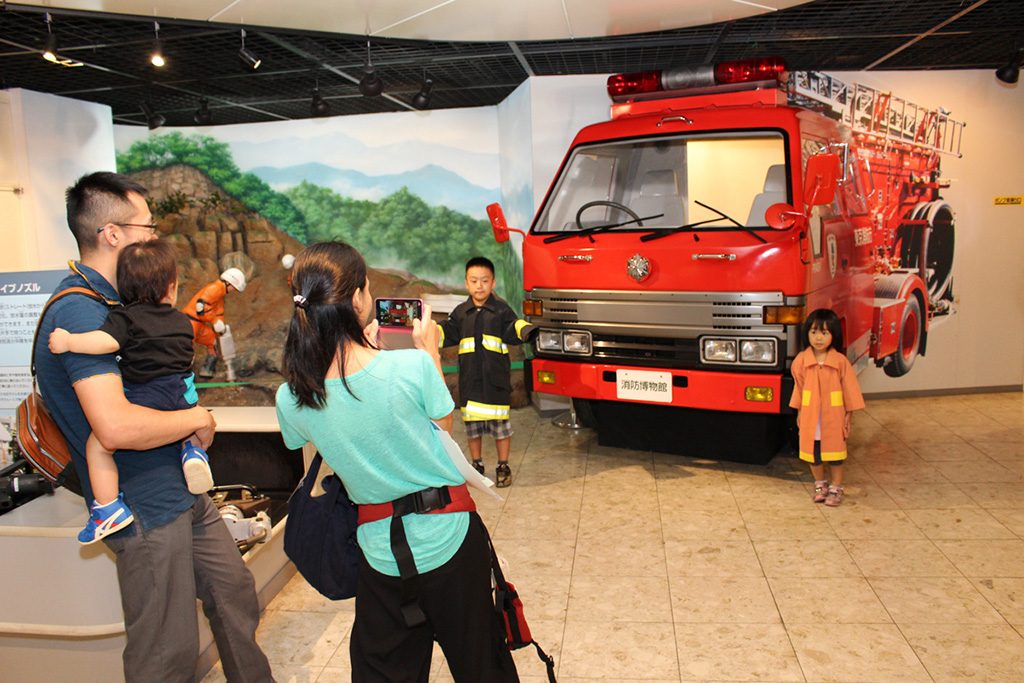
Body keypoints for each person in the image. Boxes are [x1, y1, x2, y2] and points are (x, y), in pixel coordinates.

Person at [36, 172, 272, 682]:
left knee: (233, 592)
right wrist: (197, 418)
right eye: (148, 226)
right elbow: (115, 428)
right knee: (167, 650)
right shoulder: (80, 311)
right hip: (142, 503)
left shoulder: (122, 305)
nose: (155, 237)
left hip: (180, 490)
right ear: (112, 234)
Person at [275, 242, 518, 682]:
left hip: (378, 552)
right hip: (448, 537)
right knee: (482, 664)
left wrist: (361, 354)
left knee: (385, 671)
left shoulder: (292, 396)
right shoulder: (408, 367)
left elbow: (317, 430)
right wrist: (429, 352)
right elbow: (440, 422)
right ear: (358, 299)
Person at [48, 239, 215, 545]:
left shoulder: (125, 318)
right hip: (182, 394)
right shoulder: (182, 322)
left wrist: (69, 342)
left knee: (97, 446)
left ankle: (107, 508)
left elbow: (105, 343)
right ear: (171, 288)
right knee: (186, 422)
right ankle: (192, 452)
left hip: (146, 397)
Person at [437, 256, 534, 488]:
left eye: (484, 280)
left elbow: (513, 326)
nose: (479, 286)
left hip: (495, 382)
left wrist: (526, 330)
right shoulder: (461, 313)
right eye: (474, 281)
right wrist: (432, 330)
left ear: (493, 283)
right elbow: (447, 331)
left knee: (501, 429)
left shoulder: (501, 310)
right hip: (470, 382)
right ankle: (477, 465)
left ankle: (503, 465)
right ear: (466, 283)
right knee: (473, 430)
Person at [788, 308, 866, 507]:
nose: (818, 338)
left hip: (833, 415)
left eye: (824, 333)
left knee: (836, 455)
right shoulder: (801, 361)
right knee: (813, 455)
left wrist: (848, 414)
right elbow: (799, 387)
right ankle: (820, 484)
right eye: (813, 332)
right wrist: (799, 411)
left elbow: (850, 389)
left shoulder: (840, 362)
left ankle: (836, 487)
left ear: (834, 335)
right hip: (810, 415)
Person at [183, 266, 247, 378]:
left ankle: (207, 370)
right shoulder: (214, 288)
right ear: (229, 283)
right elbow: (200, 307)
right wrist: (214, 320)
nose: (234, 290)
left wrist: (220, 326)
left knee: (212, 341)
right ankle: (182, 374)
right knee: (186, 348)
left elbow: (219, 313)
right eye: (234, 288)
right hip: (190, 322)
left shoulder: (220, 295)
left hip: (199, 324)